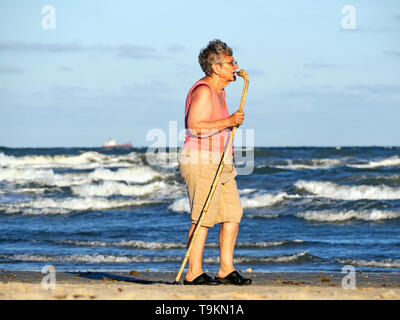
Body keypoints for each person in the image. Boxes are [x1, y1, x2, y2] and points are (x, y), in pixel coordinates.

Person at [178, 39, 251, 285]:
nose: (236, 66)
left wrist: (228, 123)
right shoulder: (204, 90)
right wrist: (228, 122)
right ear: (217, 67)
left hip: (221, 161)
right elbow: (194, 127)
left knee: (232, 214)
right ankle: (193, 273)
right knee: (203, 217)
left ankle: (225, 269)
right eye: (231, 62)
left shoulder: (220, 91)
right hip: (200, 160)